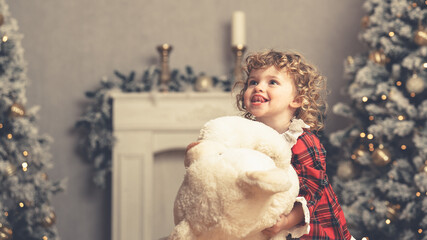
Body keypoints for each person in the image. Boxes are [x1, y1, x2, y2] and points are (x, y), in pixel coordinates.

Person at [234, 50, 353, 240]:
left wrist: (288, 221)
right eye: (253, 82)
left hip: (307, 224)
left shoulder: (301, 140)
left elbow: (313, 191)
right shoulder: (247, 134)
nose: (258, 87)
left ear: (297, 99)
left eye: (272, 82)